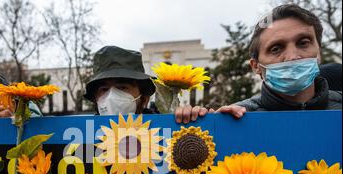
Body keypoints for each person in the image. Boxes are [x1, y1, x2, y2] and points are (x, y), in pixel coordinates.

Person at [181, 4, 342, 121]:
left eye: (303, 42)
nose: (292, 56)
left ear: (318, 52)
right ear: (256, 66)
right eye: (276, 48)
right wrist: (206, 125)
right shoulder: (237, 117)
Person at [84, 45, 209, 119]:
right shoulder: (78, 140)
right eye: (104, 89)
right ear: (96, 99)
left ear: (144, 99)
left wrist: (204, 122)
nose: (111, 97)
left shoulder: (167, 134)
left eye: (122, 87)